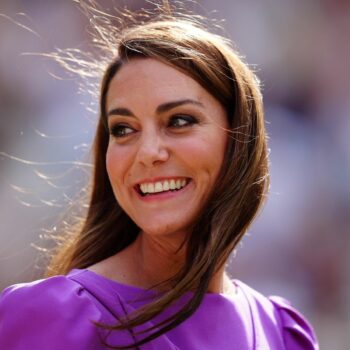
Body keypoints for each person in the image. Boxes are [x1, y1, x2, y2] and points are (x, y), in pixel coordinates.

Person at [0, 3, 318, 350]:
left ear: (240, 139)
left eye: (179, 121)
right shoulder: (53, 316)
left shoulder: (284, 333)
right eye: (123, 129)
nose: (148, 152)